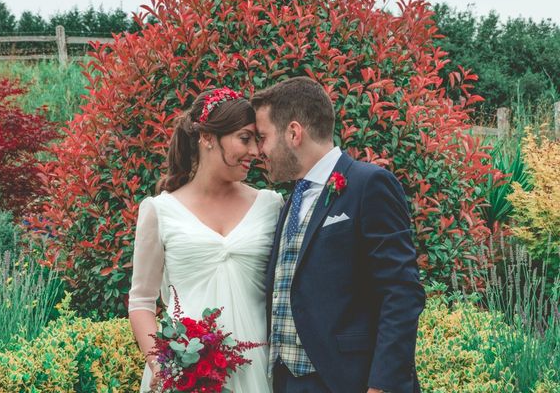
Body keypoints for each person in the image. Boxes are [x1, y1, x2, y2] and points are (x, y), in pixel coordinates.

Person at [252, 77, 426, 393]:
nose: (257, 151)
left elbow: (401, 291)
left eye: (262, 138)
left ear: (294, 133)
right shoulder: (290, 199)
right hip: (286, 382)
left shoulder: (368, 184)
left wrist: (382, 385)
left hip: (347, 381)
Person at [128, 87, 283, 392]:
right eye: (244, 138)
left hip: (255, 366)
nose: (255, 152)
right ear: (209, 138)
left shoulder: (271, 206)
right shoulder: (160, 211)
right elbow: (142, 300)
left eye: (257, 140)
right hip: (184, 374)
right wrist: (160, 362)